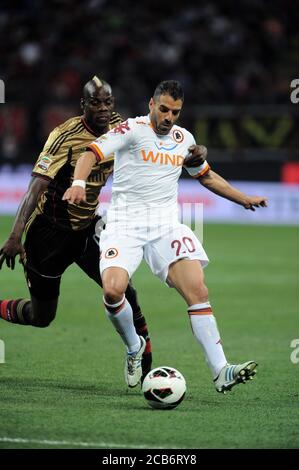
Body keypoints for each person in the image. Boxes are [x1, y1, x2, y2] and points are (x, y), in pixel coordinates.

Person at [63, 80, 268, 392]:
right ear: (151, 105)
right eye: (164, 109)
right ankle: (134, 346)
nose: (169, 116)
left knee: (197, 290)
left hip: (165, 226)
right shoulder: (130, 130)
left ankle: (221, 369)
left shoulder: (183, 139)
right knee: (113, 291)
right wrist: (78, 183)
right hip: (124, 225)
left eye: (175, 111)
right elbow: (90, 154)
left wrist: (243, 199)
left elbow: (206, 176)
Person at [0, 76, 152, 378]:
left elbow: (152, 138)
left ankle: (143, 359)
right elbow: (36, 186)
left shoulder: (119, 126)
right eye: (96, 102)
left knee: (123, 289)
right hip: (49, 235)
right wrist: (16, 235)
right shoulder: (64, 136)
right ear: (83, 105)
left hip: (89, 229)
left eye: (108, 102)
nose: (103, 108)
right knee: (42, 317)